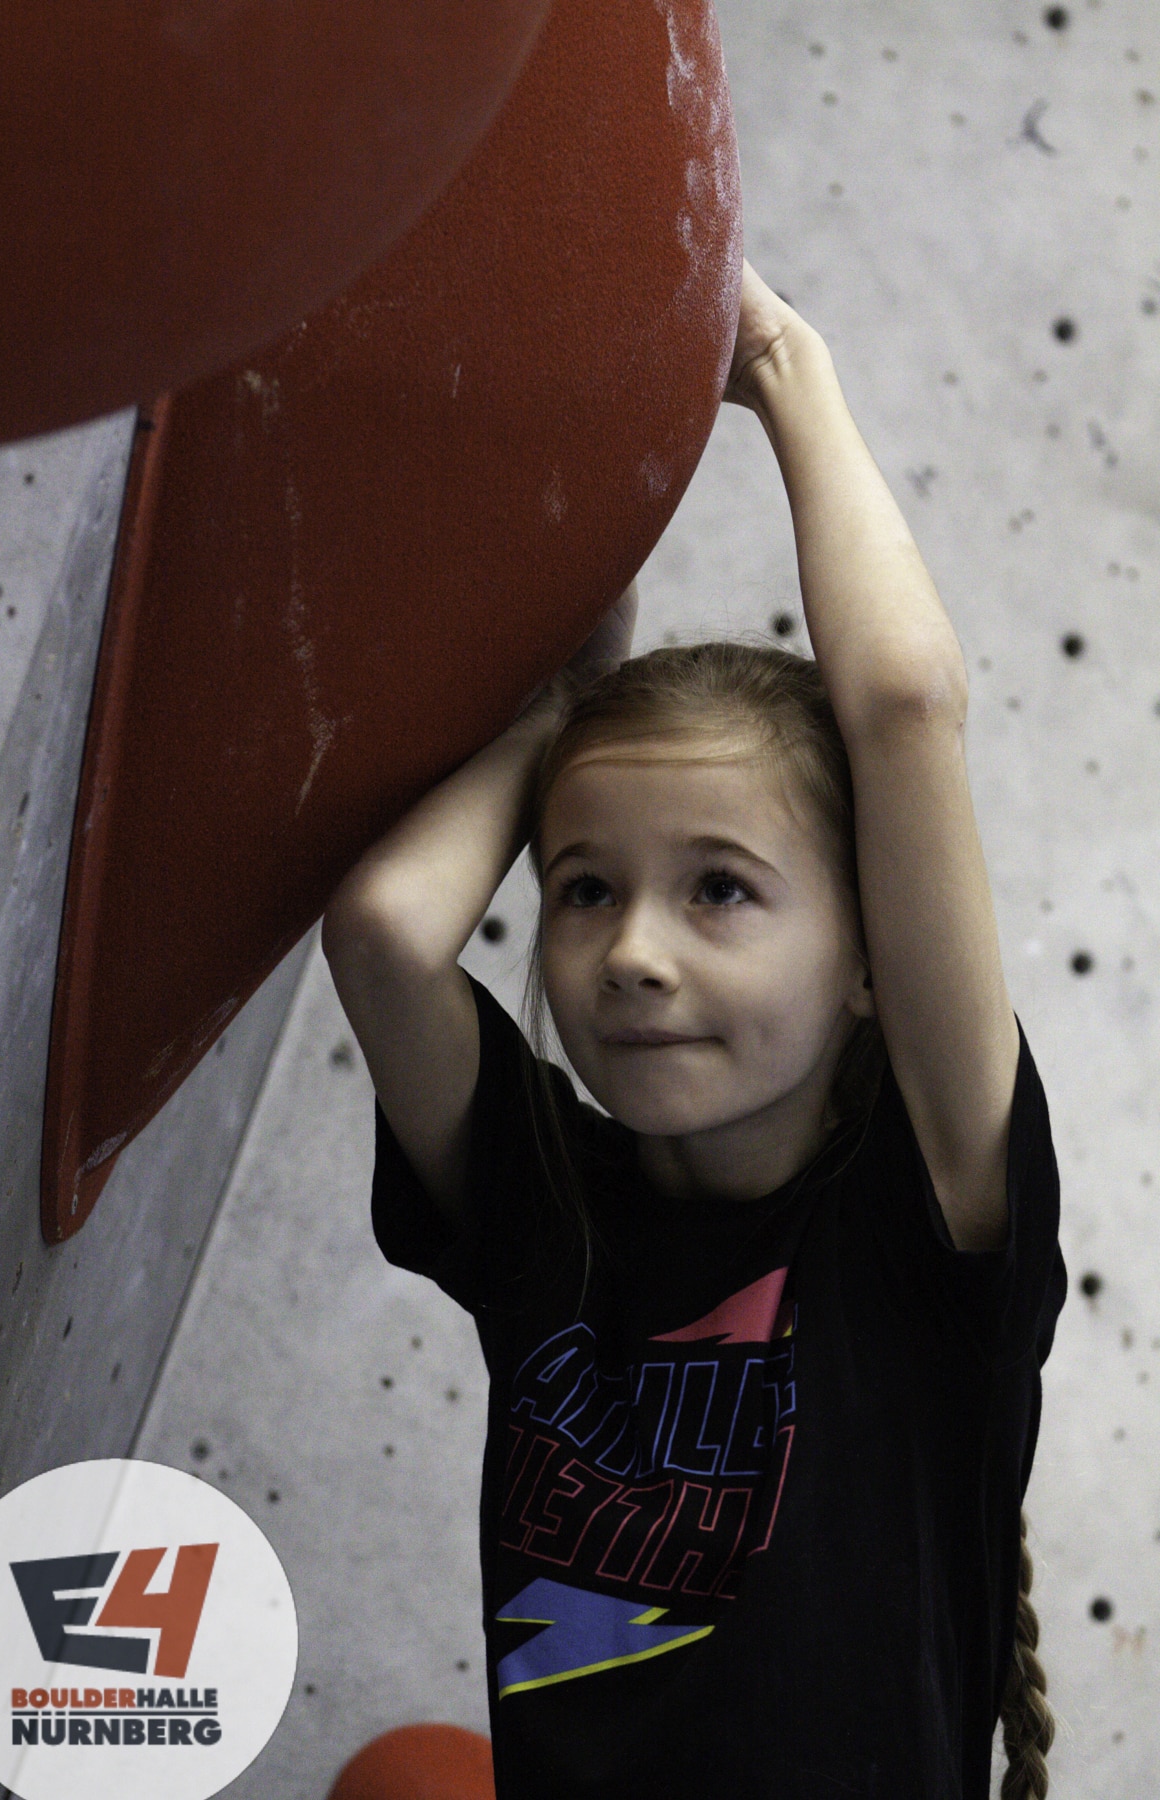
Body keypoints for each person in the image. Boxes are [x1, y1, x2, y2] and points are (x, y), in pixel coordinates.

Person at [322, 261, 1067, 1800]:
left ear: (869, 961)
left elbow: (905, 705)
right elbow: (388, 932)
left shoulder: (923, 1218)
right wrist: (565, 712)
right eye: (585, 890)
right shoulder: (544, 1210)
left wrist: (780, 360)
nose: (633, 955)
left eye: (720, 889)